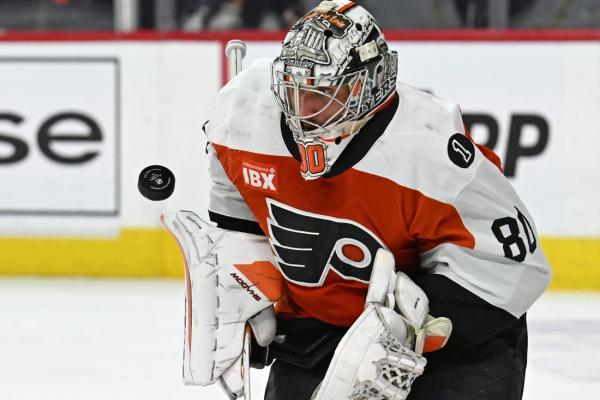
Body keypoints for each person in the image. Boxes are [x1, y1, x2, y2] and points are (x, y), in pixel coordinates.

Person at [167, 1, 551, 399]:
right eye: (295, 89)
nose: (303, 110)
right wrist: (245, 280)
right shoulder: (245, 111)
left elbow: (513, 268)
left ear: (369, 85)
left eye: (323, 92)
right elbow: (235, 197)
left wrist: (406, 330)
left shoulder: (430, 150)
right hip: (319, 326)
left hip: (451, 348)